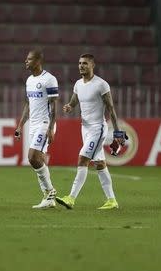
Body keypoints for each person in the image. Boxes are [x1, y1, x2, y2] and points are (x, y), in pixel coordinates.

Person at [56, 54, 126, 210]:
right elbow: (75, 100)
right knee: (100, 164)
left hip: (97, 128)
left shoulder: (101, 84)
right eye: (80, 63)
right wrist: (69, 106)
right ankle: (112, 200)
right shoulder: (78, 84)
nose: (81, 66)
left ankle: (71, 198)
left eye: (85, 63)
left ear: (92, 65)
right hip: (85, 128)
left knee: (82, 159)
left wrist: (117, 132)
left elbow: (111, 108)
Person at [14, 49, 58, 209]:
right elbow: (28, 104)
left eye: (29, 59)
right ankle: (49, 197)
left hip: (45, 123)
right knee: (36, 160)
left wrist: (51, 127)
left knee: (32, 157)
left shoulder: (49, 79)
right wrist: (20, 125)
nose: (26, 61)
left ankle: (50, 192)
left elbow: (54, 105)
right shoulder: (29, 80)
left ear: (38, 61)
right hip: (33, 124)